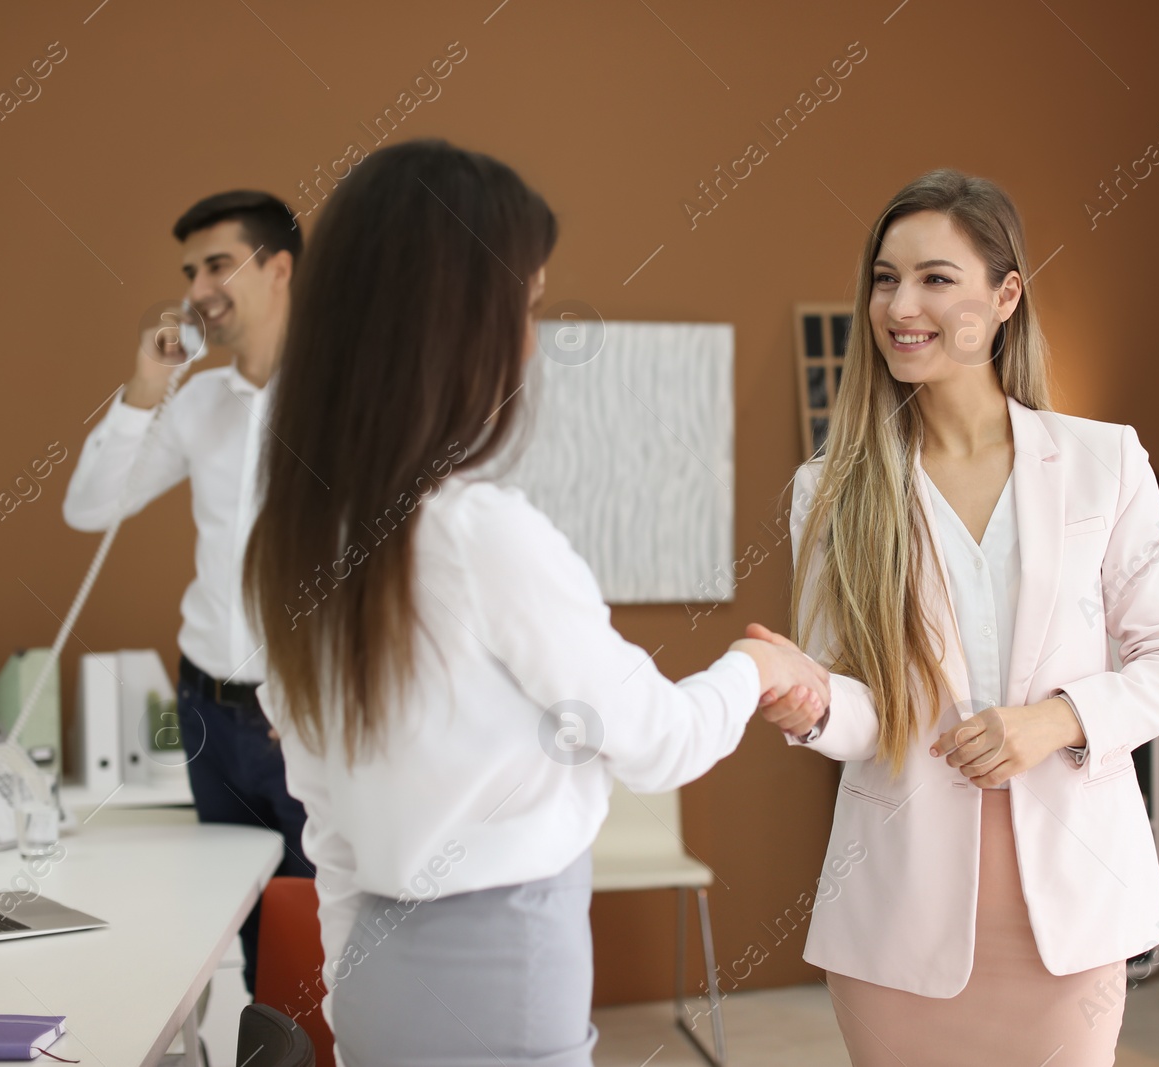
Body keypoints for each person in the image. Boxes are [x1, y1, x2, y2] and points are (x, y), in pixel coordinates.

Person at [240, 138, 829, 1067]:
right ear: (458, 324)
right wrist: (758, 665)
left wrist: (355, 1004)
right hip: (505, 971)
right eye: (529, 305)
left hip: (370, 972)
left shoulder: (291, 544)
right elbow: (660, 738)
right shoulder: (480, 535)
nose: (531, 338)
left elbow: (325, 819)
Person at [755, 168, 1159, 1066]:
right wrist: (811, 706)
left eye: (934, 277)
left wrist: (1059, 718)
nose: (901, 304)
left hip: (1070, 916)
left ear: (1006, 296)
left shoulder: (1102, 463)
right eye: (885, 278)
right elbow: (860, 704)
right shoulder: (831, 489)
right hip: (897, 915)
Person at [61, 190, 308, 995]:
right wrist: (144, 387)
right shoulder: (196, 402)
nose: (198, 288)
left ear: (278, 269)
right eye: (189, 270)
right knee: (242, 931)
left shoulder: (347, 400)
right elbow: (89, 508)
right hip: (208, 703)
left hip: (307, 711)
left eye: (216, 265)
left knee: (320, 927)